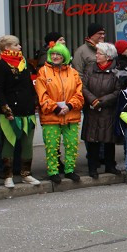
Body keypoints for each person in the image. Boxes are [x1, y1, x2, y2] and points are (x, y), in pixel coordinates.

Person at [0, 35, 41, 188]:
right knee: (9, 144)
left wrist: (35, 101)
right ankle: (8, 175)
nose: (20, 47)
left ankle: (26, 174)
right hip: (11, 112)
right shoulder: (0, 66)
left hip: (27, 110)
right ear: (7, 48)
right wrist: (6, 109)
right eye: (16, 45)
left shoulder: (23, 63)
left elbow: (28, 85)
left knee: (27, 144)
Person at [35, 40, 84, 185]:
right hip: (51, 116)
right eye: (53, 54)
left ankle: (69, 169)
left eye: (58, 54)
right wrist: (55, 108)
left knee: (71, 144)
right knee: (51, 146)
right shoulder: (43, 72)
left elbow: (79, 93)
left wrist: (69, 106)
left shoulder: (73, 72)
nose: (55, 56)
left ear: (65, 56)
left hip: (71, 115)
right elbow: (41, 95)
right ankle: (53, 171)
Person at [81, 42, 121, 179]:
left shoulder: (116, 70)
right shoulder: (90, 68)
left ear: (108, 56)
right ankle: (93, 168)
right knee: (92, 139)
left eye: (99, 53)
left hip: (108, 109)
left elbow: (118, 90)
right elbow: (83, 86)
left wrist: (103, 101)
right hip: (92, 108)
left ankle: (110, 165)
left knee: (109, 139)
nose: (96, 55)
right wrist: (93, 100)